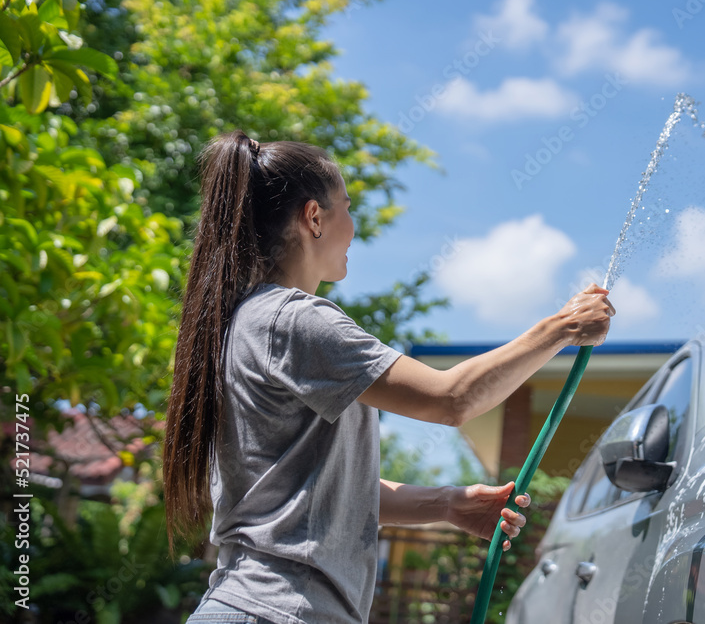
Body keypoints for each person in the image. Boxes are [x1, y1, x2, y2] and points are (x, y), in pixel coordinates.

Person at [162, 130, 615, 624]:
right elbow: (451, 399)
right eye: (347, 208)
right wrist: (561, 328)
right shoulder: (294, 319)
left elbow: (324, 494)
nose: (353, 227)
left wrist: (447, 503)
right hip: (276, 609)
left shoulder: (247, 322)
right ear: (314, 217)